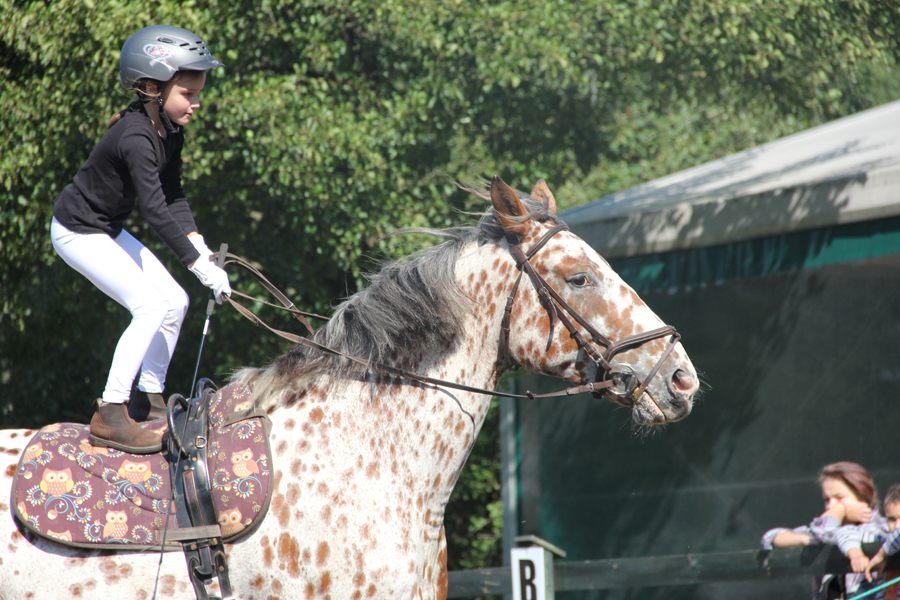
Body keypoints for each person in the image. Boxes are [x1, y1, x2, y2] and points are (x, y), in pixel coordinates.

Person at [50, 25, 231, 454]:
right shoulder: (135, 136)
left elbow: (173, 196)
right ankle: (111, 413)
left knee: (176, 302)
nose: (196, 103)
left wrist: (198, 244)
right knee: (149, 306)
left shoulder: (169, 130)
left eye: (197, 92)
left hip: (107, 228)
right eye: (188, 93)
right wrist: (198, 265)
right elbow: (153, 210)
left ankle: (151, 402)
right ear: (152, 87)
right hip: (76, 231)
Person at [761, 462, 879, 599]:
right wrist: (807, 540)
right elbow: (770, 537)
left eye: (840, 498)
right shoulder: (819, 531)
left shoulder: (879, 530)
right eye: (827, 499)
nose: (831, 506)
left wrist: (841, 509)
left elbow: (827, 533)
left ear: (862, 494)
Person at [864, 483, 900, 599]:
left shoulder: (887, 545)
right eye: (891, 519)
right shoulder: (880, 537)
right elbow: (843, 532)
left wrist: (882, 554)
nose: (896, 526)